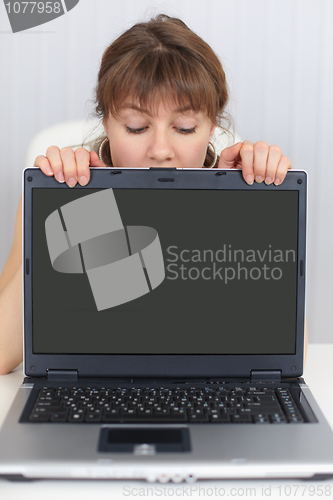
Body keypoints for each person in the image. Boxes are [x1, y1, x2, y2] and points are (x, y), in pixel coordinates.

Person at [0, 14, 299, 375]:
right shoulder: (79, 207)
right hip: (98, 399)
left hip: (213, 406)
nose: (161, 150)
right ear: (107, 122)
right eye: (137, 127)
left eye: (185, 128)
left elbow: (277, 358)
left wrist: (260, 207)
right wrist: (61, 205)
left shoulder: (237, 201)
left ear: (211, 127)